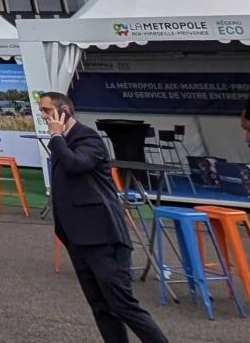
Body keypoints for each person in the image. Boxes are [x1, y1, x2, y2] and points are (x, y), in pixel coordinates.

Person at [39, 91, 169, 343]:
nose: (43, 116)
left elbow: (75, 164)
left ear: (63, 110)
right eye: (42, 111)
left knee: (123, 305)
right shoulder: (62, 141)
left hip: (102, 237)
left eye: (46, 110)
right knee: (100, 306)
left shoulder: (87, 138)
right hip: (77, 238)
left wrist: (56, 136)